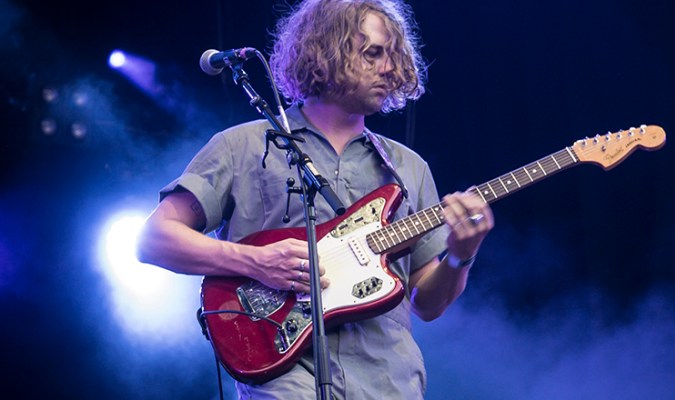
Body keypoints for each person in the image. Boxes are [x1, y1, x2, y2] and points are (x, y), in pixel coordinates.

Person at [135, 0, 493, 398]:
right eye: (373, 53)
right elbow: (154, 239)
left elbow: (427, 303)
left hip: (388, 382)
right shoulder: (242, 146)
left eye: (394, 55)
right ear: (324, 52)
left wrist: (462, 254)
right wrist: (256, 261)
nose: (390, 69)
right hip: (283, 376)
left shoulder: (408, 168)